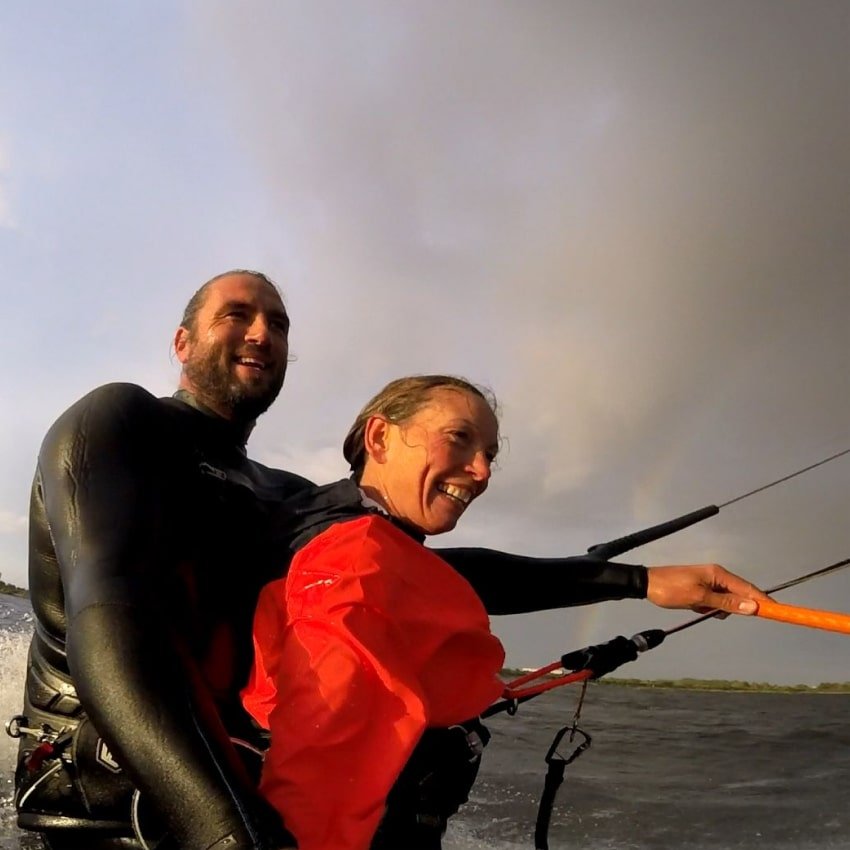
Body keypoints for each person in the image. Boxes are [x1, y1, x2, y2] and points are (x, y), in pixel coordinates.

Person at [11, 269, 765, 850]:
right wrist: (231, 836)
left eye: (277, 322)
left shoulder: (284, 495)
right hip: (109, 792)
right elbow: (109, 626)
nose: (262, 332)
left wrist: (636, 582)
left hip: (225, 781)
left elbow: (429, 574)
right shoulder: (121, 423)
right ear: (182, 343)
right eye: (236, 314)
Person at [241, 375, 769, 850]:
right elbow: (326, 758)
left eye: (491, 453)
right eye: (459, 438)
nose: (481, 471)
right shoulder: (353, 558)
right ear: (379, 437)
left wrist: (642, 581)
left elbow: (473, 573)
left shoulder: (332, 525)